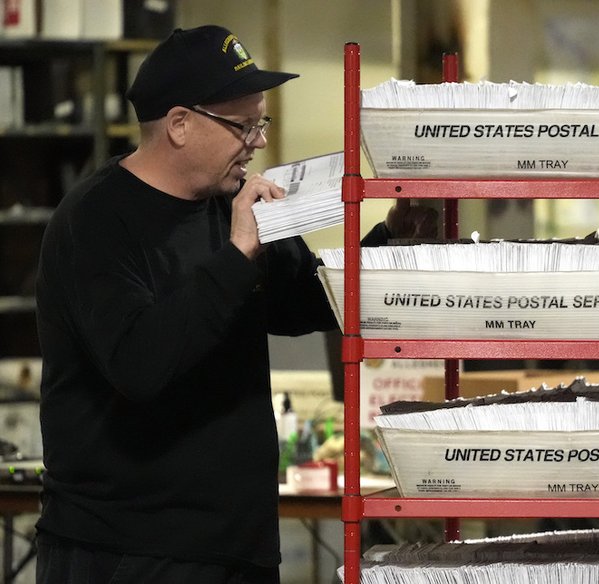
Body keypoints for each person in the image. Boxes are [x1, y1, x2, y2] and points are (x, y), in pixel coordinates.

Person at [34, 25, 434, 584]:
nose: (260, 141)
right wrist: (239, 252)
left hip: (238, 546)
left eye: (261, 122)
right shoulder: (96, 221)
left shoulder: (230, 205)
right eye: (244, 125)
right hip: (127, 550)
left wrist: (391, 239)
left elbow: (310, 301)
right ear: (179, 124)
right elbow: (140, 364)